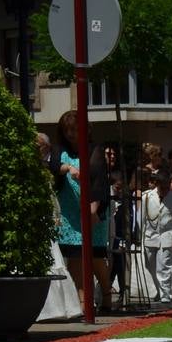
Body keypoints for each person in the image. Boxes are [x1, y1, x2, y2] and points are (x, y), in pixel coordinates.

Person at [52, 111, 113, 312]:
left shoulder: (95, 150)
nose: (71, 134)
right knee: (75, 255)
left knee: (95, 256)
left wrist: (93, 208)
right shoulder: (59, 149)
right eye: (67, 130)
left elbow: (99, 181)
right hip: (69, 212)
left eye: (75, 130)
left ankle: (106, 293)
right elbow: (52, 166)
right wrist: (67, 167)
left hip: (91, 209)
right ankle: (82, 302)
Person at [33, 131, 83, 322]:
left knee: (54, 260)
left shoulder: (49, 165)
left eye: (40, 146)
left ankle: (59, 307)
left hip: (46, 216)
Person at [141, 168, 172, 304]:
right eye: (162, 186)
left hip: (167, 235)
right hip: (150, 236)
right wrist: (138, 236)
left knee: (165, 266)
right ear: (157, 184)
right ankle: (158, 291)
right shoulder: (146, 196)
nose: (165, 190)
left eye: (167, 187)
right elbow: (141, 218)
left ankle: (166, 294)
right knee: (150, 266)